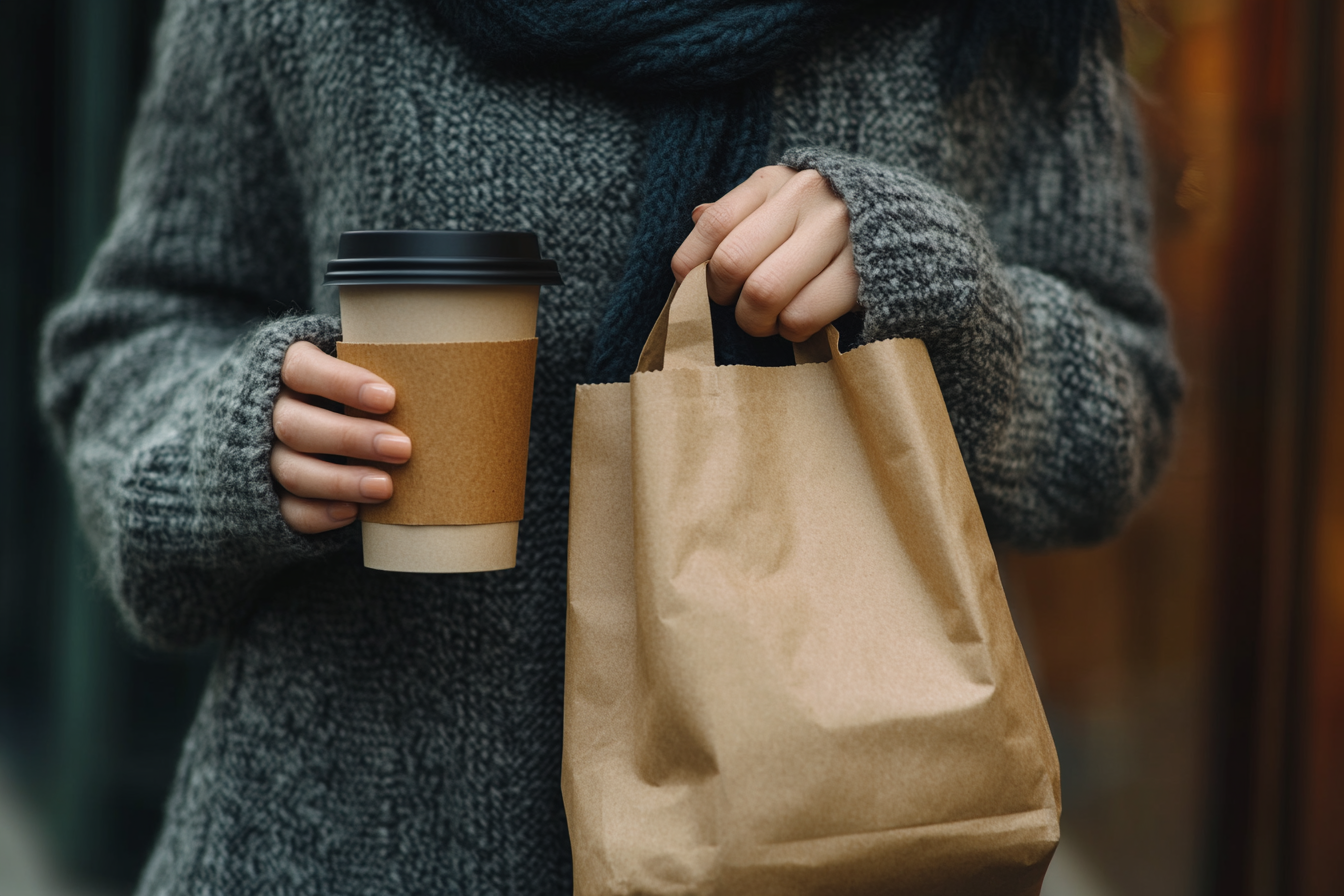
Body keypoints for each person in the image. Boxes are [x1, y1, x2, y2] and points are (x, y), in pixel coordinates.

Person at [38, 0, 1181, 892]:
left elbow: (1117, 410)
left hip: (819, 836)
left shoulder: (987, 21)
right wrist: (247, 442)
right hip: (344, 834)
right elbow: (135, 334)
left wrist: (937, 293)